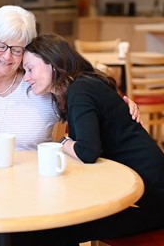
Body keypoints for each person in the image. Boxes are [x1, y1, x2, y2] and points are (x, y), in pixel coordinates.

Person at [0, 5, 140, 154]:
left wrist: (122, 107)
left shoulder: (42, 87)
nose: (7, 56)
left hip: (36, 191)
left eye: (17, 49)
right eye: (1, 45)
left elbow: (93, 99)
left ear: (29, 52)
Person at [20, 33, 164, 245]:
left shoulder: (80, 90)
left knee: (54, 228)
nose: (26, 77)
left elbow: (87, 152)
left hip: (149, 203)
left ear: (53, 62)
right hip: (143, 191)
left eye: (30, 68)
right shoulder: (86, 83)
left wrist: (61, 143)